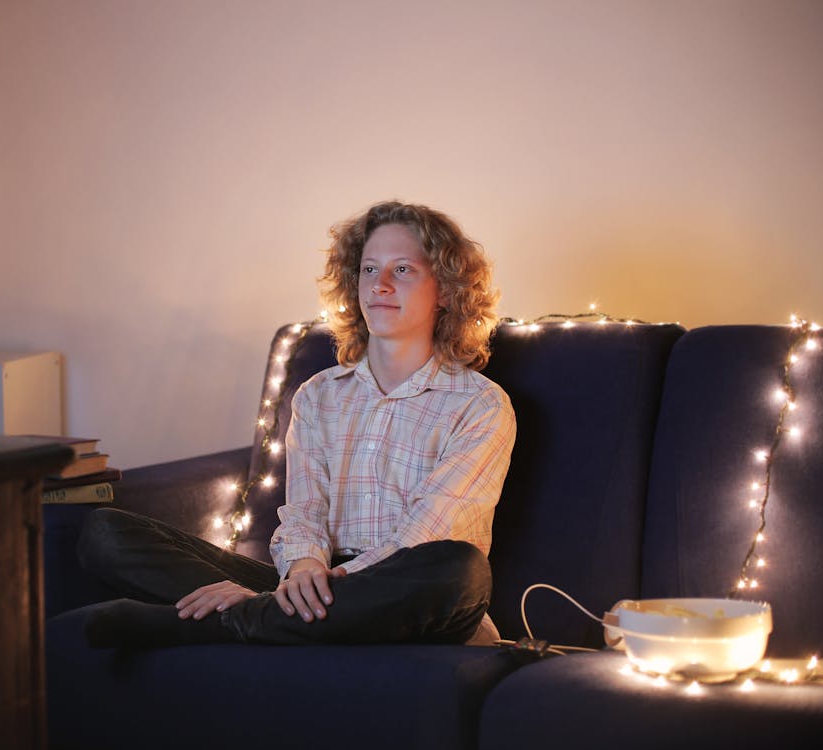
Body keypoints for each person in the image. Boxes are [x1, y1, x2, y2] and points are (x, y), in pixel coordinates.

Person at [81, 200, 516, 647]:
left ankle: (238, 616)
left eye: (402, 270)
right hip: (310, 587)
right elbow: (305, 513)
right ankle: (269, 617)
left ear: (444, 290)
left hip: (403, 590)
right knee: (107, 533)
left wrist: (330, 581)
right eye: (369, 270)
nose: (380, 285)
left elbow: (427, 533)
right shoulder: (317, 396)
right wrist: (303, 568)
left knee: (460, 570)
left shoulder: (480, 406)